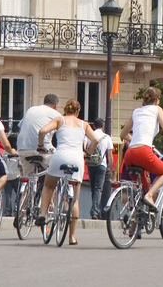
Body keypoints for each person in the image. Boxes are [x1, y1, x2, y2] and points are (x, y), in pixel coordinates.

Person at [36, 99, 104, 244]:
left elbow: (42, 131)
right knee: (75, 199)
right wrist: (88, 153)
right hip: (77, 159)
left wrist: (41, 145)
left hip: (60, 156)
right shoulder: (84, 124)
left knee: (48, 185)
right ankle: (72, 236)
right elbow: (95, 140)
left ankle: (42, 214)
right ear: (78, 111)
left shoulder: (59, 120)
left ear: (66, 109)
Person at [119, 86, 163, 209]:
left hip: (130, 154)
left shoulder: (136, 111)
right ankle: (149, 195)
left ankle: (137, 216)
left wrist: (136, 140)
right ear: (157, 99)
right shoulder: (157, 109)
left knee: (142, 190)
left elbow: (123, 134)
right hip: (144, 152)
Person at [15, 93, 61, 185]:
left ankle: (25, 191)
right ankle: (51, 193)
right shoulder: (57, 115)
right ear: (55, 105)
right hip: (42, 149)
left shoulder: (31, 109)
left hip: (22, 148)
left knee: (28, 177)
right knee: (57, 169)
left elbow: (20, 127)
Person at [84, 117, 113, 219]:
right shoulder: (107, 137)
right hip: (102, 164)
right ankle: (95, 211)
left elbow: (85, 147)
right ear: (103, 126)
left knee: (93, 188)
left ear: (94, 126)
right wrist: (110, 169)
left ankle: (95, 210)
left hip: (91, 164)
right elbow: (110, 156)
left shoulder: (89, 136)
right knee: (98, 189)